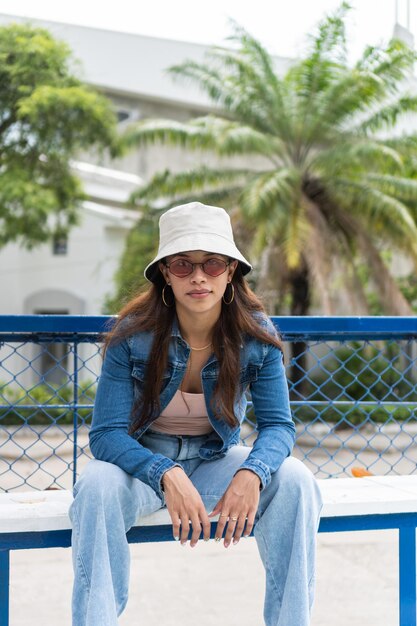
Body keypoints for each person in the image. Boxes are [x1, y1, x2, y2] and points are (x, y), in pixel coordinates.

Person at [69, 201, 322, 626]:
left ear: (231, 273)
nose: (199, 276)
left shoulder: (256, 336)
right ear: (166, 272)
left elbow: (279, 426)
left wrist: (252, 473)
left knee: (297, 480)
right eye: (183, 265)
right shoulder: (131, 336)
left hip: (217, 462)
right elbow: (107, 435)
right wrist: (165, 473)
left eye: (213, 264)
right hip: (142, 470)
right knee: (95, 484)